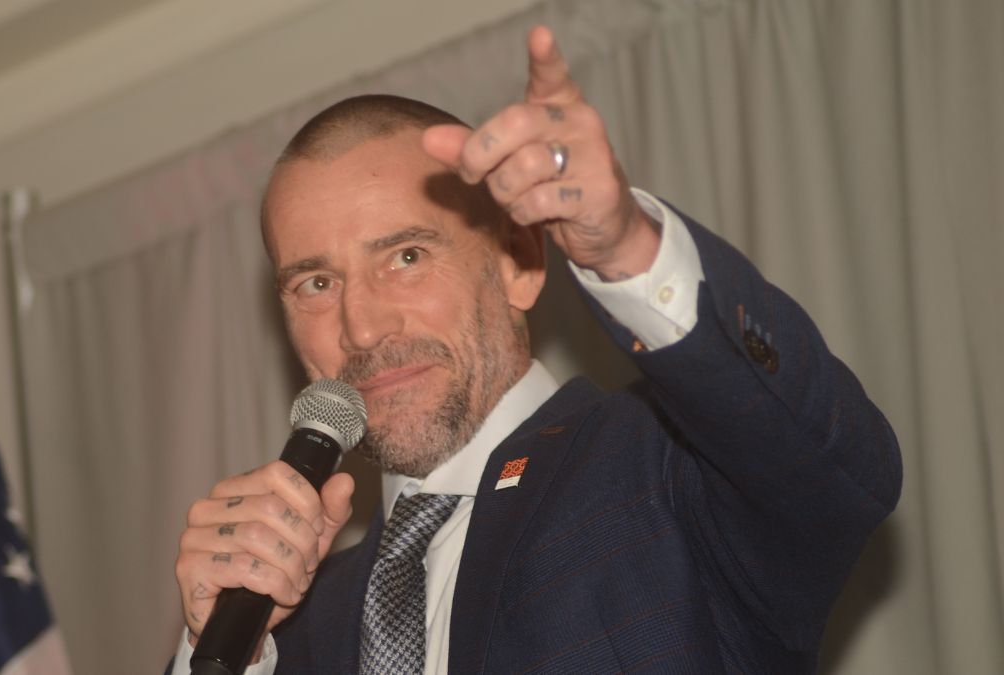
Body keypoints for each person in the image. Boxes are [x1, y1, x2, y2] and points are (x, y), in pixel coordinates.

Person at [168, 26, 901, 674]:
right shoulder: (283, 631)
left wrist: (627, 246)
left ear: (520, 261)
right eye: (317, 281)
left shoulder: (666, 468)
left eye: (407, 257)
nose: (361, 327)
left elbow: (834, 467)